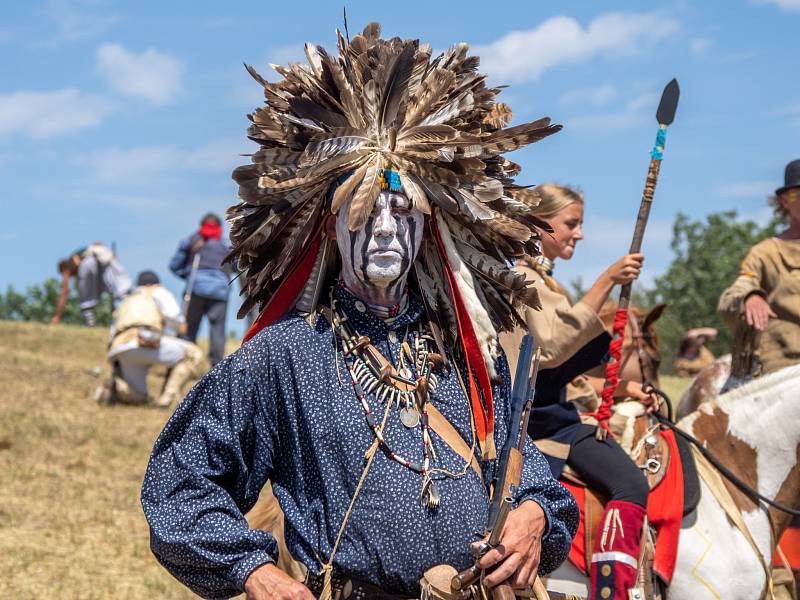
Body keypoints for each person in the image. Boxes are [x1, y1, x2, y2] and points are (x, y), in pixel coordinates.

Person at [141, 24, 578, 600]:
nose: (385, 227)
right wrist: (257, 574)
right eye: (364, 208)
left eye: (402, 209)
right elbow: (181, 485)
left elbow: (536, 484)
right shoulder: (287, 355)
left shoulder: (463, 349)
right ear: (329, 225)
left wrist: (535, 518)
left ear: (428, 229)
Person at [498, 184, 655, 600]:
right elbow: (549, 347)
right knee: (632, 485)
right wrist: (607, 279)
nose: (579, 234)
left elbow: (564, 375)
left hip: (558, 414)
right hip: (547, 427)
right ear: (539, 223)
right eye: (571, 223)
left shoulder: (543, 280)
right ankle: (614, 592)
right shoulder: (523, 278)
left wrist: (623, 388)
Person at [719, 158, 800, 380]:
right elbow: (732, 296)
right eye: (798, 195)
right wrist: (749, 297)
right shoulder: (765, 254)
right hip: (783, 372)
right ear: (784, 201)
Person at [96, 270, 203, 408]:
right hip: (145, 340)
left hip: (121, 350)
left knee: (140, 396)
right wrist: (181, 326)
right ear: (155, 283)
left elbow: (112, 332)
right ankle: (166, 400)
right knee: (193, 354)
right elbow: (174, 317)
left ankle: (116, 387)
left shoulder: (127, 299)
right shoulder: (157, 291)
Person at [169, 212, 232, 367]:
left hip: (195, 289)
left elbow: (174, 265)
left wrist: (188, 275)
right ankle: (216, 366)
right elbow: (237, 266)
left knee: (189, 328)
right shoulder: (226, 245)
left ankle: (185, 362)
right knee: (217, 329)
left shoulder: (191, 241)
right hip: (220, 291)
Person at [51, 242, 132, 327]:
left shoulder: (67, 267)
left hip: (89, 265)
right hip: (101, 264)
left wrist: (57, 316)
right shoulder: (79, 255)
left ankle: (90, 323)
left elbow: (65, 290)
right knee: (117, 291)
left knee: (84, 297)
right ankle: (122, 315)